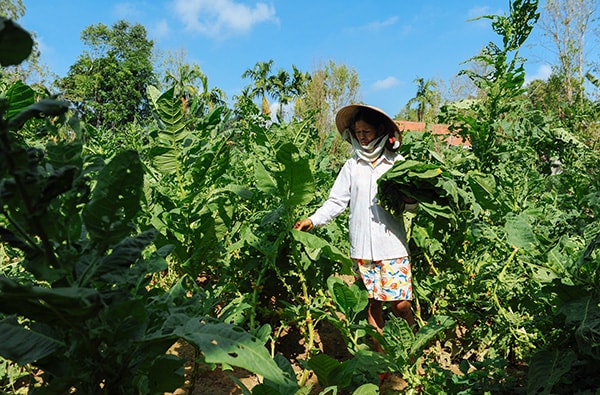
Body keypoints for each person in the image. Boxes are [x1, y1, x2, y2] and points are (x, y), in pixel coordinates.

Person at [294, 104, 418, 353]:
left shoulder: (397, 163)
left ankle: (413, 346)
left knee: (401, 304)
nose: (362, 136)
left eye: (367, 131)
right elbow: (336, 201)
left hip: (392, 245)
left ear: (381, 130)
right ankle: (381, 359)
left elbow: (413, 207)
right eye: (358, 132)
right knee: (373, 304)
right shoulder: (353, 166)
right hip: (362, 247)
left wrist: (408, 199)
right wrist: (313, 219)